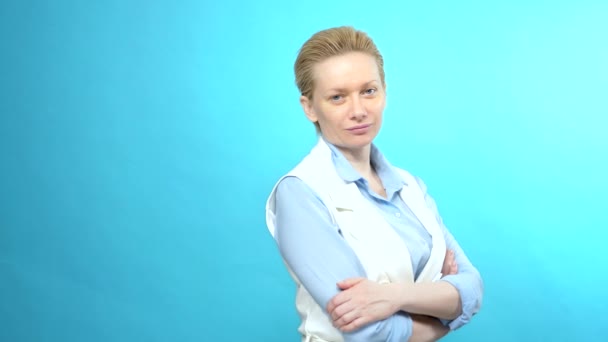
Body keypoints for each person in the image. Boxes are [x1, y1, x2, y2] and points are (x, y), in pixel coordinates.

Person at [265, 26, 483, 342]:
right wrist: (442, 317)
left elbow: (472, 289)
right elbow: (368, 332)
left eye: (368, 91)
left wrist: (392, 297)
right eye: (337, 97)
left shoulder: (410, 187)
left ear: (384, 92)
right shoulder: (300, 192)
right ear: (310, 107)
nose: (358, 111)